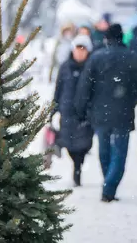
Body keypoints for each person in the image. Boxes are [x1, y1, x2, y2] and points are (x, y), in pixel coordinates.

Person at [75, 24, 137, 201]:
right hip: (123, 112)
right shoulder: (131, 57)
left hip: (100, 113)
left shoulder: (96, 58)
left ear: (106, 38)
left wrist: (82, 109)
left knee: (104, 150)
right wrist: (132, 100)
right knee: (120, 153)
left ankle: (108, 182)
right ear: (121, 37)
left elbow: (85, 86)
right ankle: (110, 185)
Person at [51, 34, 95, 187]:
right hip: (67, 111)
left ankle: (78, 167)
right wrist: (53, 109)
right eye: (78, 48)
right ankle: (76, 167)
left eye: (83, 49)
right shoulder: (65, 67)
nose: (80, 52)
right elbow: (58, 89)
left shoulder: (92, 67)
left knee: (83, 145)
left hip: (85, 114)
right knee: (70, 144)